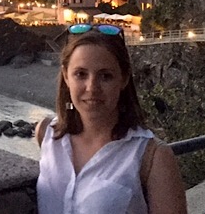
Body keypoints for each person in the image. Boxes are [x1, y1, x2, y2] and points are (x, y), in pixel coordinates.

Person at [35, 23, 187, 214]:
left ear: (123, 79)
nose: (92, 87)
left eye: (105, 76)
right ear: (66, 76)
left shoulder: (152, 157)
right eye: (81, 74)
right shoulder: (47, 134)